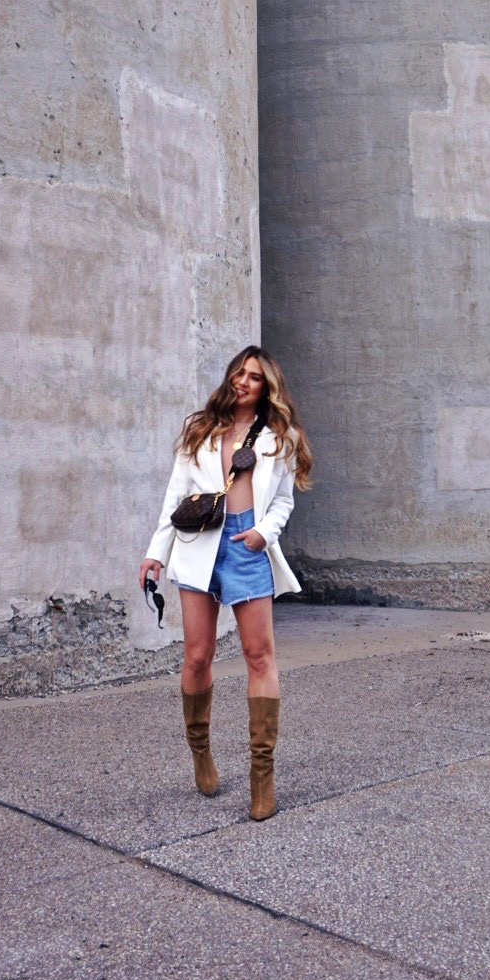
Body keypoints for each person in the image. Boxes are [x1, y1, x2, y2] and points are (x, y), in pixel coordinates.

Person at [140, 346, 313, 820]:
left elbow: (283, 501)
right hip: (198, 545)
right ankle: (201, 753)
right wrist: (156, 553)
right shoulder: (201, 428)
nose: (243, 381)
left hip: (246, 546)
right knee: (197, 655)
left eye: (255, 377)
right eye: (239, 372)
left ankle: (262, 775)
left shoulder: (281, 437)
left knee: (259, 655)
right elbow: (175, 495)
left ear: (267, 387)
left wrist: (263, 533)